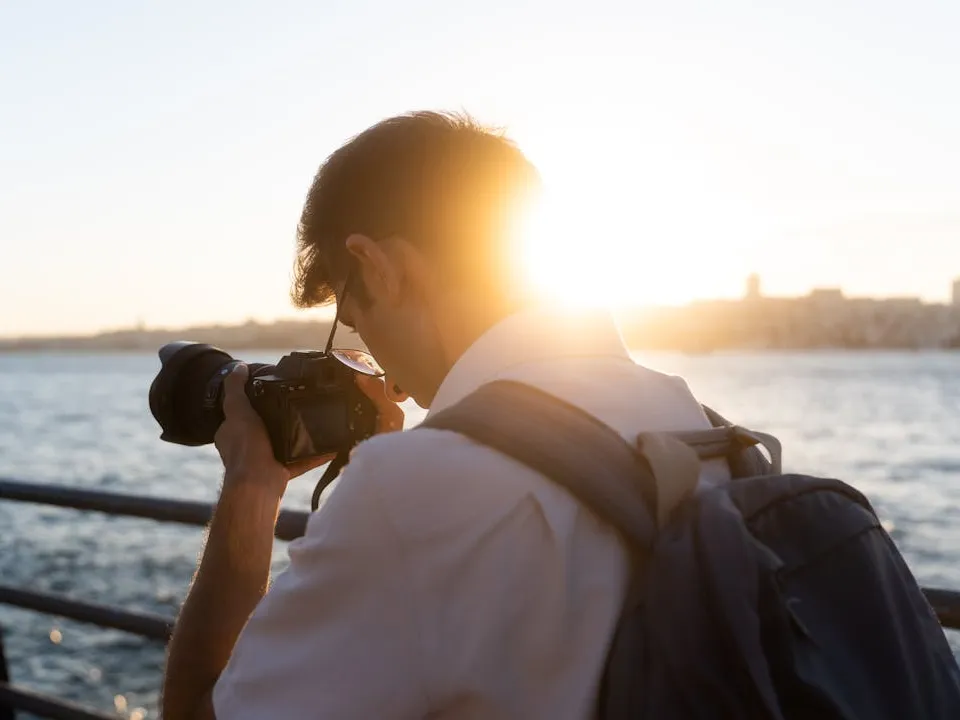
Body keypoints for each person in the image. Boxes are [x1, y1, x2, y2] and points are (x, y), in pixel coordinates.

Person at [161, 111, 729, 719]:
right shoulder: (702, 427)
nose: (383, 368)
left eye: (353, 321)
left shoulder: (416, 490)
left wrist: (252, 483)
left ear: (378, 267)